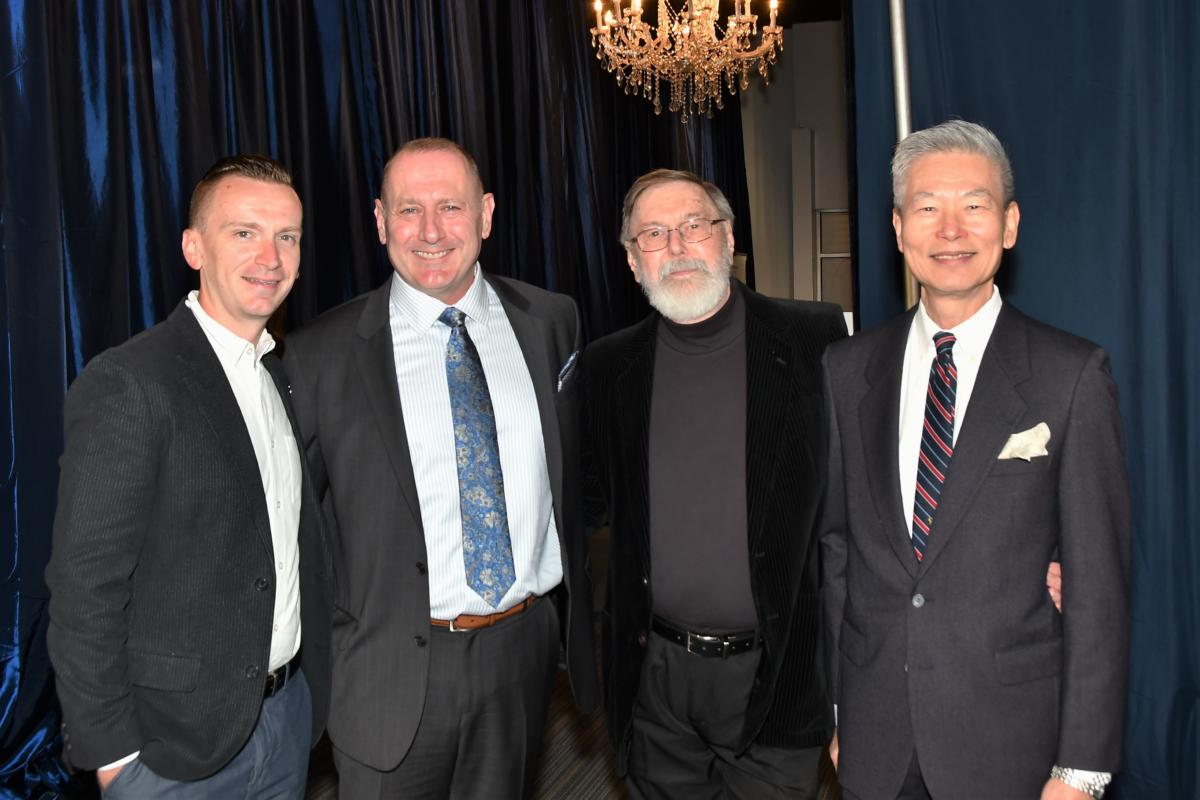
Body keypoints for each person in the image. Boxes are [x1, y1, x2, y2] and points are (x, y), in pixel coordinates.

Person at [821, 120, 1130, 799]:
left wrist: (1081, 769)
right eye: (928, 207)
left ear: (1009, 224)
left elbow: (1098, 586)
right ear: (898, 229)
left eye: (974, 205)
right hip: (875, 742)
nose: (950, 230)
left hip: (1010, 749)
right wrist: (841, 711)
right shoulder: (846, 370)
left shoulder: (1070, 376)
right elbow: (839, 552)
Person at [281, 137, 597, 798]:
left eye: (450, 207)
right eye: (408, 210)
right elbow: (299, 530)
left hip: (520, 656)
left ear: (485, 215)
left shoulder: (551, 320)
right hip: (385, 670)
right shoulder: (318, 355)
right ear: (379, 221)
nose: (430, 231)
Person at [46, 155, 331, 797]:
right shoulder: (131, 381)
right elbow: (84, 584)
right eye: (244, 232)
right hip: (170, 750)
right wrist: (114, 756)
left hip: (285, 720)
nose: (271, 257)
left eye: (287, 237)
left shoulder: (278, 374)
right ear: (193, 247)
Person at [580, 168, 847, 798]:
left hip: (778, 673)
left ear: (728, 238)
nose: (676, 246)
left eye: (694, 225)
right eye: (653, 234)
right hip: (654, 682)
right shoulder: (608, 366)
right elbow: (580, 503)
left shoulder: (815, 340)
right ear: (632, 260)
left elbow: (865, 495)